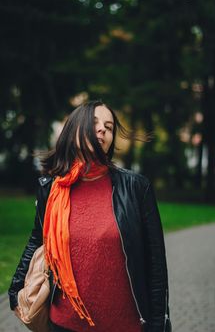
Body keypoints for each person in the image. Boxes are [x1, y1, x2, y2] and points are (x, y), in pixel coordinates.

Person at [8, 100, 171, 332]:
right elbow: (38, 239)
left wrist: (158, 323)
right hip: (63, 324)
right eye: (94, 123)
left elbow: (156, 264)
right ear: (74, 130)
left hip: (125, 326)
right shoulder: (52, 188)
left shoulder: (136, 188)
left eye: (109, 126)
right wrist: (16, 289)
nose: (103, 129)